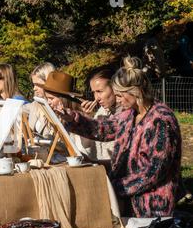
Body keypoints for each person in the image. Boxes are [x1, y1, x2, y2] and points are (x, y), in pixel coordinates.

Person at [51, 56, 183, 218]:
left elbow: (154, 171)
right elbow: (103, 129)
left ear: (136, 92)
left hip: (151, 206)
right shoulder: (130, 113)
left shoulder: (161, 120)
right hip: (126, 197)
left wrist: (116, 188)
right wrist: (72, 118)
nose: (118, 100)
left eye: (120, 95)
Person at [77, 68, 121, 165]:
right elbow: (87, 145)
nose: (96, 98)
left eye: (100, 91)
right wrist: (86, 118)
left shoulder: (127, 113)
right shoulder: (102, 111)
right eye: (94, 92)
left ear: (115, 88)